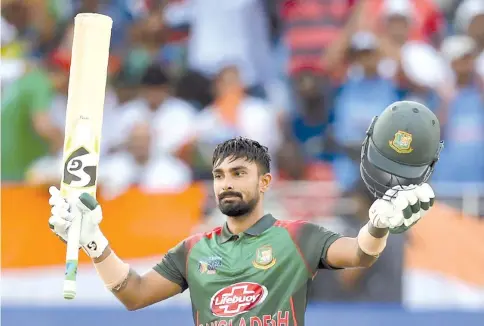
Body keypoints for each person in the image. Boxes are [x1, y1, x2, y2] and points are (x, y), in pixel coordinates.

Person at [48, 103, 440, 325]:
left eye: (239, 173)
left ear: (265, 182)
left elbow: (359, 254)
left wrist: (378, 224)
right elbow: (133, 294)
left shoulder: (298, 237)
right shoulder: (193, 250)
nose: (226, 184)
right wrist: (94, 242)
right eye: (219, 175)